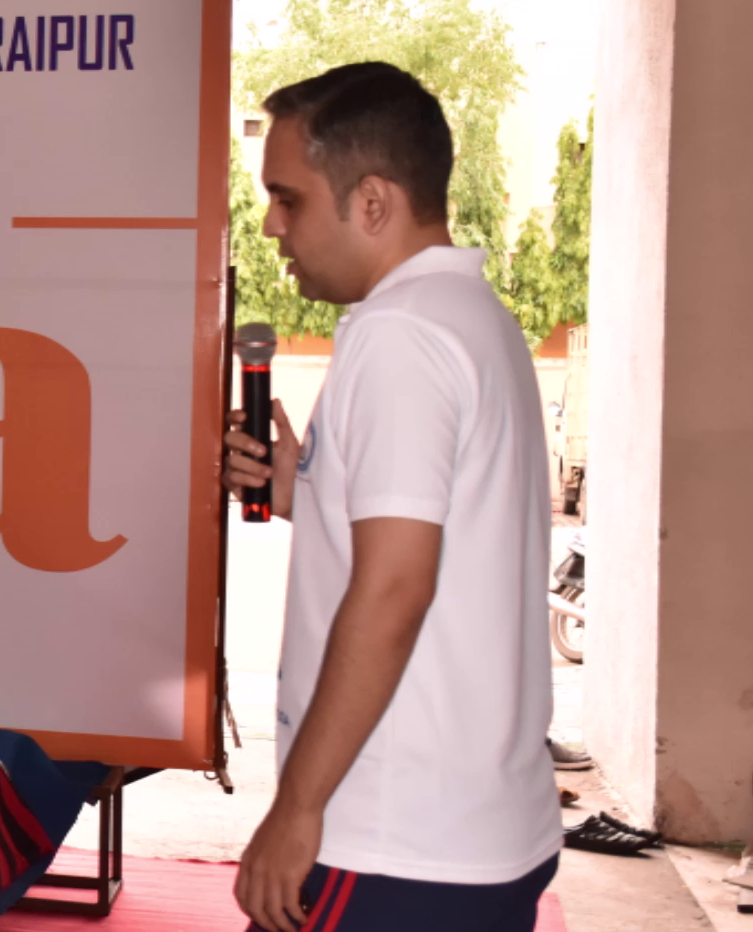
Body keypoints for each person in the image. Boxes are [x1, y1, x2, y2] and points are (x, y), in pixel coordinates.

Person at [221, 62, 560, 931]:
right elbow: (449, 539)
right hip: (479, 825)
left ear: (372, 202)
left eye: (288, 199)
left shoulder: (398, 335)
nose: (272, 224)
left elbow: (396, 588)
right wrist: (305, 488)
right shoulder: (474, 318)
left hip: (391, 838)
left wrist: (298, 807)